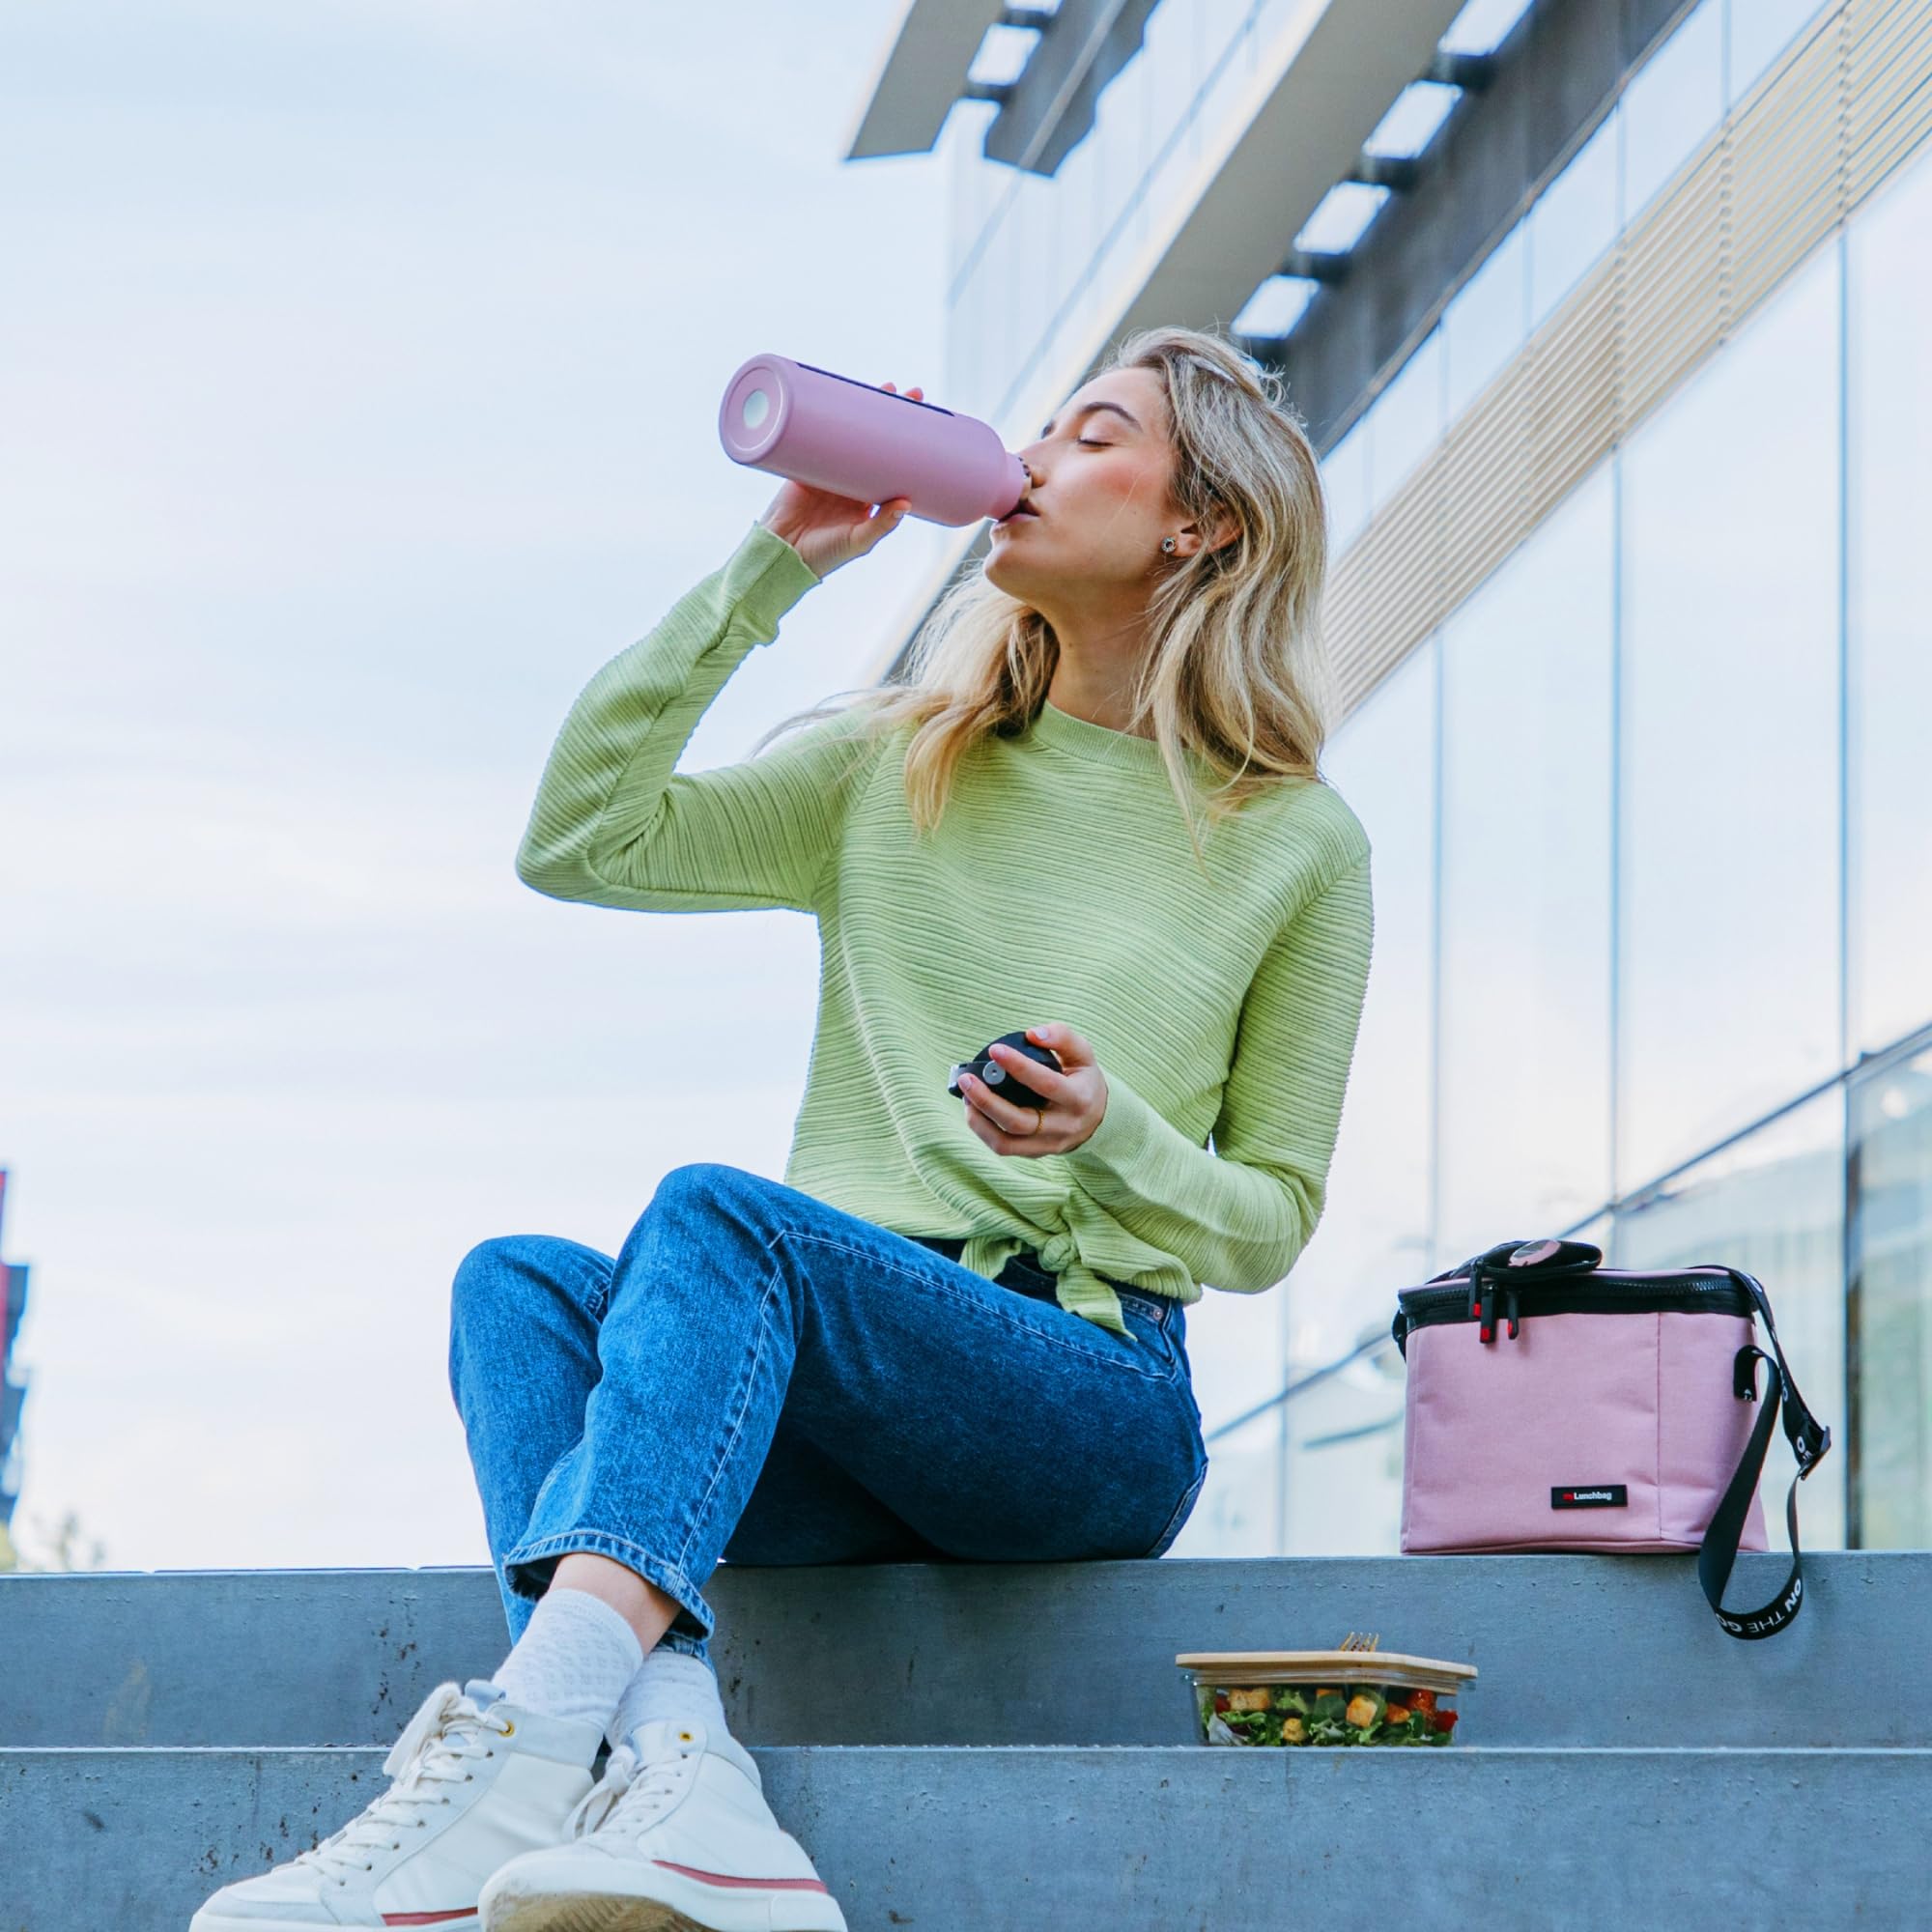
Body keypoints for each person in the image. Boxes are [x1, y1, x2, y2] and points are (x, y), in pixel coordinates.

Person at [188, 324, 1374, 1932]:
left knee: (717, 1215)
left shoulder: (1296, 841)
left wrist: (1109, 1135)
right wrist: (774, 566)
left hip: (1081, 1402)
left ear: (1201, 524)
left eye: (1090, 433)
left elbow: (1273, 1219)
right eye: (1038, 421)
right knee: (520, 1285)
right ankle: (688, 1769)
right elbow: (582, 840)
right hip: (820, 1402)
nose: (1029, 453)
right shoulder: (901, 763)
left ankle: (525, 1750)